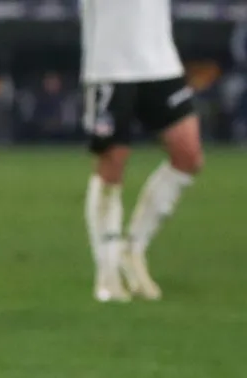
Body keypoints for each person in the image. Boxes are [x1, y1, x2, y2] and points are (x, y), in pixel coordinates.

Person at [80, 0, 204, 302]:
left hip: (160, 59)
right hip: (110, 63)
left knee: (188, 155)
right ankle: (107, 272)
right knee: (113, 164)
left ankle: (132, 249)